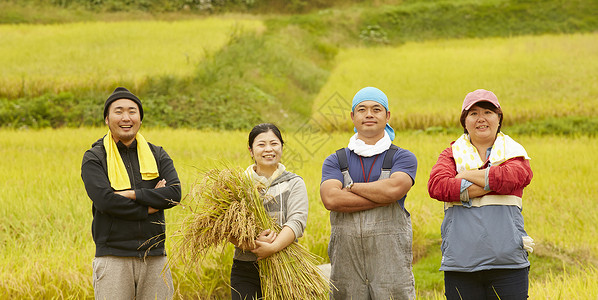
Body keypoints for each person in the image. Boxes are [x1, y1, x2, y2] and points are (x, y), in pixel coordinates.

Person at [428, 89, 534, 300]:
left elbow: (516, 177)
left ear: (499, 118)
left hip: (508, 263)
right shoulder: (451, 154)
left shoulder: (514, 152)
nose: (481, 119)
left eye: (488, 112)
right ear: (464, 121)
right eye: (473, 113)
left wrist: (465, 175)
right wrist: (494, 182)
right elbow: (437, 186)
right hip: (461, 263)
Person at [81, 87, 181, 300]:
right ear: (107, 119)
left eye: (132, 111)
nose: (126, 117)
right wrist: (151, 204)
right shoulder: (95, 157)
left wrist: (132, 194)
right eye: (118, 111)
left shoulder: (157, 154)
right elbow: (106, 202)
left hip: (155, 257)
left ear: (140, 119)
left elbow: (173, 193)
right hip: (113, 257)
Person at [320, 87, 418, 299]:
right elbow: (331, 198)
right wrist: (381, 196)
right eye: (362, 109)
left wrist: (353, 187)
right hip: (346, 268)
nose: (369, 114)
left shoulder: (402, 157)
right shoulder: (336, 160)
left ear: (387, 116)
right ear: (353, 116)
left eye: (377, 109)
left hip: (391, 269)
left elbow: (394, 189)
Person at [229, 123, 309, 300]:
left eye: (274, 143)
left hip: (287, 265)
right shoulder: (237, 186)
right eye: (261, 144)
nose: (268, 149)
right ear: (251, 150)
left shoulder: (294, 183)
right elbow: (226, 227)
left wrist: (272, 247)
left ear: (281, 147)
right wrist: (251, 246)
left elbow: (297, 222)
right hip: (245, 269)